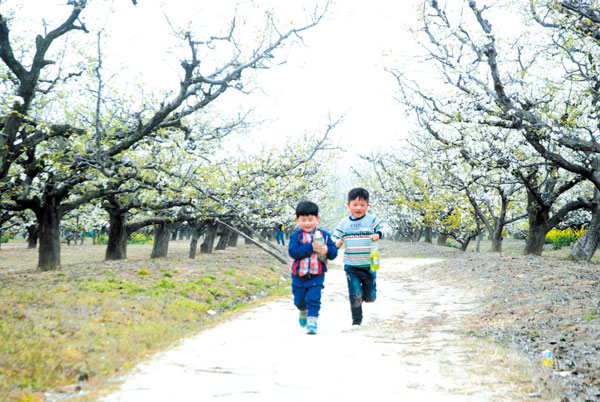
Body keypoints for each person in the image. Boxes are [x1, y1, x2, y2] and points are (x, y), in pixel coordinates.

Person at [332, 188, 385, 326]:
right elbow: (334, 237)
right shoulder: (344, 223)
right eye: (355, 205)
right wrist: (336, 243)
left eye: (362, 205)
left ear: (368, 206)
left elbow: (385, 228)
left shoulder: (372, 220)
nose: (358, 208)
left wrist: (378, 234)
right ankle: (356, 321)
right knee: (354, 294)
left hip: (369, 265)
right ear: (348, 205)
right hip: (351, 266)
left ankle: (364, 296)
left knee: (370, 297)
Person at [288, 201, 337, 334]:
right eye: (303, 220)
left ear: (317, 219)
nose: (307, 223)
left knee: (313, 299)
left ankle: (312, 322)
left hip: (317, 275)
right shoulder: (295, 236)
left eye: (311, 219)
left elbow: (333, 253)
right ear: (297, 220)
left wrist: (326, 250)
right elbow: (294, 252)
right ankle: (303, 311)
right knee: (299, 301)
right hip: (299, 276)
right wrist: (311, 247)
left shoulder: (324, 235)